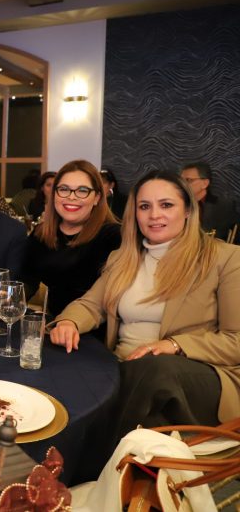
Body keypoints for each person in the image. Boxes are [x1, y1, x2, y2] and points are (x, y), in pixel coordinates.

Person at [50, 170, 240, 439]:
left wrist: (174, 345)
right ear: (135, 213)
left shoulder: (226, 258)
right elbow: (91, 305)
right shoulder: (123, 257)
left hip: (199, 375)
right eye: (144, 206)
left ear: (188, 210)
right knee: (63, 362)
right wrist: (69, 322)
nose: (154, 215)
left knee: (154, 367)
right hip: (125, 370)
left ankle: (93, 459)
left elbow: (236, 341)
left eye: (166, 205)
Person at [24, 160, 121, 317]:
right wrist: (11, 296)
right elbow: (28, 278)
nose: (71, 197)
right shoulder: (41, 233)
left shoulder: (113, 236)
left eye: (82, 190)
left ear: (96, 198)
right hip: (53, 323)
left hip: (94, 325)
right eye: (64, 189)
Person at [181, 161, 239, 243]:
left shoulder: (224, 206)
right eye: (181, 181)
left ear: (205, 183)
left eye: (188, 180)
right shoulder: (176, 204)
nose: (182, 184)